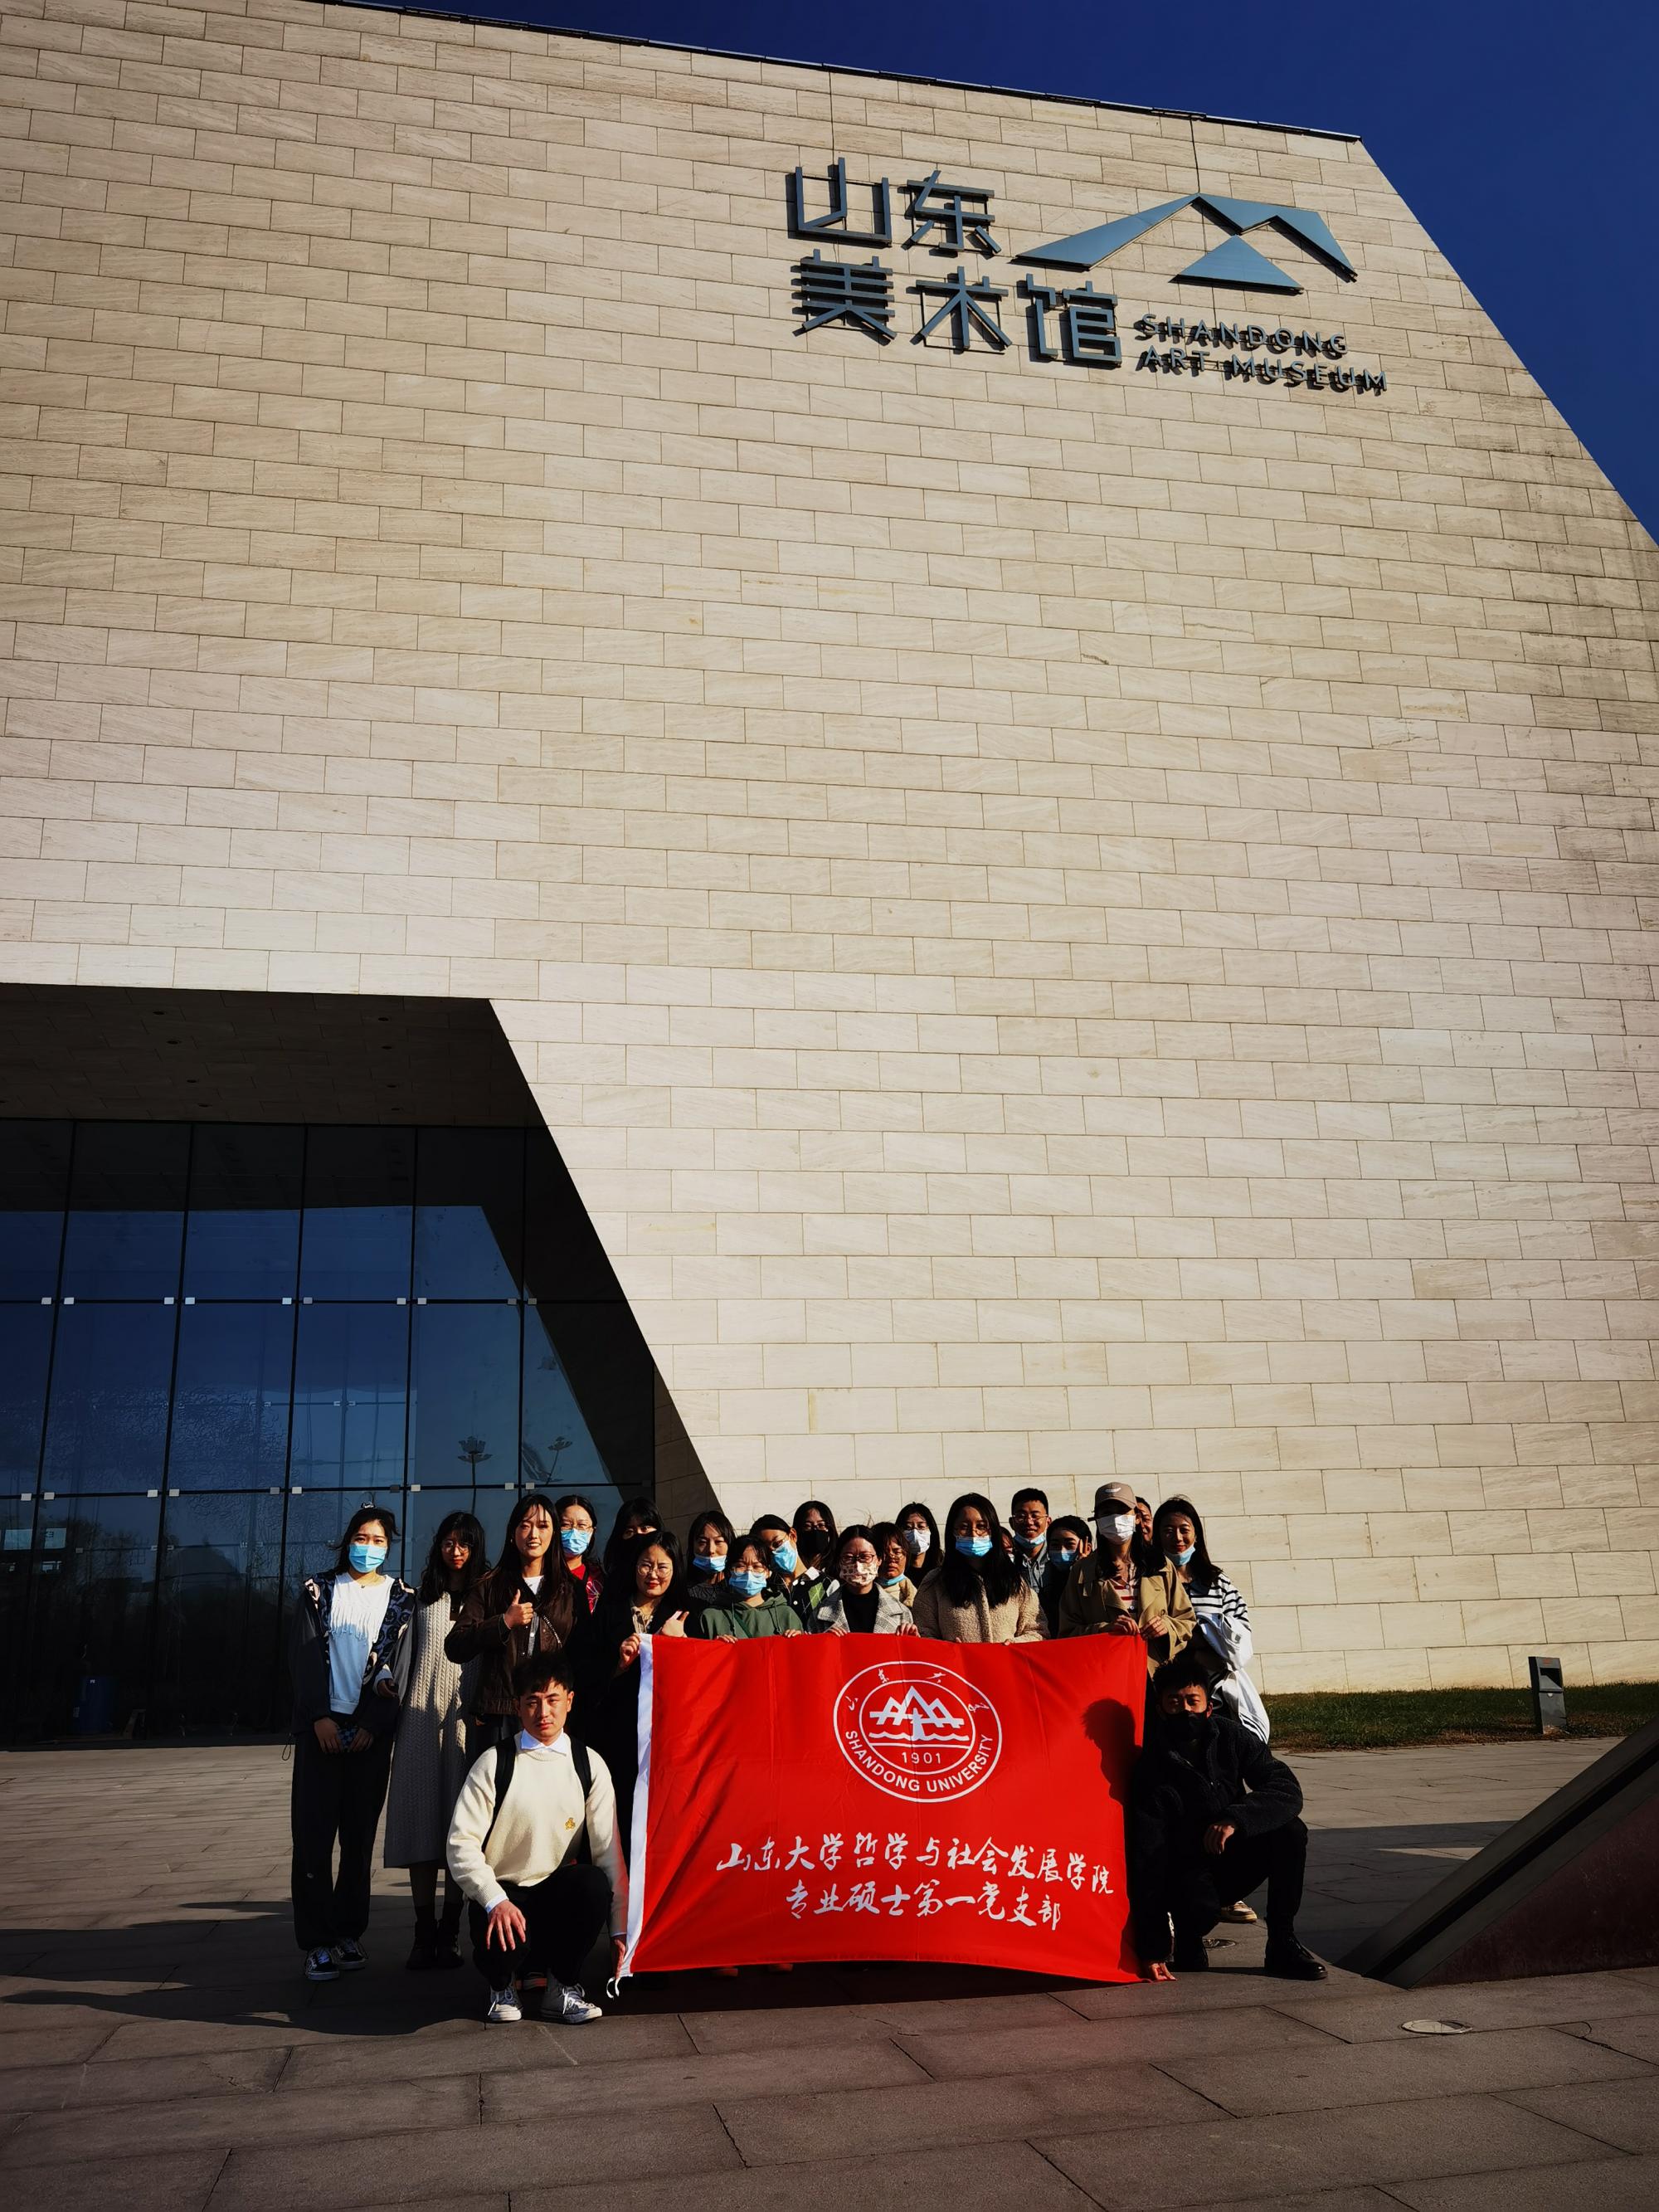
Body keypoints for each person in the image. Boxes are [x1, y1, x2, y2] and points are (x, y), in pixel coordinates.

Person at [445, 1650, 628, 2025]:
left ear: (570, 1701)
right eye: (532, 1701)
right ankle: (501, 1986)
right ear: (517, 1707)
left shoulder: (589, 1764)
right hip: (504, 1896)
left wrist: (620, 1929)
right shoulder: (494, 1762)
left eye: (552, 1699)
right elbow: (460, 1845)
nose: (543, 1712)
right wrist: (494, 1899)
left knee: (592, 1884)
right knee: (501, 1927)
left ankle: (562, 1987)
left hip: (555, 1895)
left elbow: (609, 1853)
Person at [1130, 1649, 1326, 1983]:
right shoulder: (1151, 1764)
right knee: (1195, 1909)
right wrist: (1154, 1947)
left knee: (1290, 1832)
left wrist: (1236, 1819)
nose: (1185, 1710)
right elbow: (1147, 1858)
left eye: (1192, 1701)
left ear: (1209, 1706)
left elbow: (1284, 1787)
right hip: (1184, 1874)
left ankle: (1283, 1943)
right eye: (1174, 1702)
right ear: (1160, 1709)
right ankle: (1188, 1937)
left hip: (1228, 1852)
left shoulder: (1232, 1737)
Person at [287, 1504, 416, 1983]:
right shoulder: (318, 1590)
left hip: (369, 1734)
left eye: (379, 1540)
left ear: (389, 1546)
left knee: (358, 1841)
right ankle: (316, 1942)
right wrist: (318, 1716)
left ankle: (347, 1932)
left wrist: (374, 1725)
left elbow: (401, 1667)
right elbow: (303, 1658)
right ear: (348, 1541)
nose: (369, 1547)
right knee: (313, 1839)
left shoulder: (403, 1598)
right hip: (321, 1729)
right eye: (362, 1538)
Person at [383, 1508, 487, 1971]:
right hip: (419, 1723)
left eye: (464, 1542)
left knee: (461, 1828)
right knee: (420, 1823)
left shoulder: (487, 1594)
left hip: (465, 1724)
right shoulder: (419, 1597)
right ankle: (423, 1930)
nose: (455, 1550)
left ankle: (450, 1930)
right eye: (448, 1541)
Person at [579, 1530, 690, 1852]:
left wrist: (680, 1645)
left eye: (662, 1566)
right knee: (616, 1822)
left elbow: (700, 1679)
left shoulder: (686, 1613)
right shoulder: (608, 1610)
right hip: (616, 1736)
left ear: (675, 1569)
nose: (653, 1574)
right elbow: (585, 1672)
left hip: (667, 1740)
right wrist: (618, 1665)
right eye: (645, 1565)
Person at [446, 1492, 581, 1757]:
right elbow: (455, 1646)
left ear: (554, 1534)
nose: (533, 1534)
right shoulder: (489, 1585)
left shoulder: (570, 1590)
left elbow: (582, 1654)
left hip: (550, 1712)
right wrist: (504, 1622)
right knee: (498, 1783)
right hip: (499, 1713)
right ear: (512, 1533)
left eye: (543, 1526)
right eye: (525, 1525)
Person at [1154, 1494, 1267, 1742]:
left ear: (1196, 1534)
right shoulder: (1148, 1582)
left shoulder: (1218, 1582)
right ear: (1157, 1536)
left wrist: (1186, 1641)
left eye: (1184, 1530)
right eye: (1168, 1531)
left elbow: (1239, 1637)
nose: (1177, 1538)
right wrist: (1200, 1644)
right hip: (1167, 1697)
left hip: (1216, 1694)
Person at [1057, 1480, 1194, 1675]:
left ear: (1137, 1517)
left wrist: (1166, 1626)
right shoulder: (1082, 1571)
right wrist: (1105, 1630)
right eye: (1107, 1513)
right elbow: (1067, 1633)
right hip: (1107, 1675)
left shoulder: (1160, 1565)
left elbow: (1187, 1620)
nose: (1115, 1518)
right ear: (1097, 1519)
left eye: (1122, 1511)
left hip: (1158, 1675)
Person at [911, 1493, 1046, 1643]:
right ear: (953, 1531)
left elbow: (1038, 1631)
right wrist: (947, 1649)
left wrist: (1013, 1645)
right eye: (964, 1527)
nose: (973, 1533)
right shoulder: (935, 1582)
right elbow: (923, 1633)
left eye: (981, 1526)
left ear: (993, 1530)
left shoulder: (1014, 1581)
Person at [688, 1532, 802, 1640]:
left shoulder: (786, 1615)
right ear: (729, 1570)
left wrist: (799, 1642)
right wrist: (715, 1647)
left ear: (768, 1572)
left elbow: (799, 1653)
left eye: (757, 1566)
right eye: (740, 1566)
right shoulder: (711, 1617)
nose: (749, 1572)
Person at [812, 1526, 919, 1635]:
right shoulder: (820, 1613)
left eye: (865, 1557)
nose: (857, 1565)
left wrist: (912, 1638)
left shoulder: (901, 1613)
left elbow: (909, 1646)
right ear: (839, 1561)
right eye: (849, 1557)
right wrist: (823, 1641)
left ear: (879, 1560)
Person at [1008, 1485, 1068, 1630]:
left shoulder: (1060, 1556)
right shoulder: (1003, 1558)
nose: (1029, 1522)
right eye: (1021, 1516)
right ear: (1012, 1522)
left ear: (1048, 1521)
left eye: (1035, 1516)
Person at [752, 1512, 826, 1626]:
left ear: (792, 1535)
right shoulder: (763, 1589)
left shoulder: (827, 1584)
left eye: (777, 1544)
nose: (774, 1552)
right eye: (766, 1551)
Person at [555, 1493, 605, 1616]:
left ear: (592, 1531)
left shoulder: (600, 1577)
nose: (574, 1532)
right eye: (566, 1525)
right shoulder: (541, 1573)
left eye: (581, 1526)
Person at [602, 1494, 662, 1579]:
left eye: (645, 1528)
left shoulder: (671, 1572)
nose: (638, 1534)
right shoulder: (613, 1581)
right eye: (630, 1531)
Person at [684, 1508, 736, 1606]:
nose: (711, 1550)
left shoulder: (739, 1588)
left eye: (718, 1542)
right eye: (703, 1542)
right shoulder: (681, 1591)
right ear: (692, 1546)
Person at [871, 1521, 918, 1607]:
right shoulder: (864, 1588)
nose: (891, 1559)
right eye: (884, 1553)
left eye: (897, 1552)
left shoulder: (911, 1590)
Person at [792, 1498, 839, 1582]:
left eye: (821, 1525)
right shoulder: (791, 1565)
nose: (815, 1530)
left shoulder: (838, 1566)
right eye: (808, 1526)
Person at [894, 1500, 941, 1584]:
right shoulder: (894, 1571)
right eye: (908, 1528)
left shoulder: (941, 1570)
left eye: (921, 1527)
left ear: (931, 1530)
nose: (915, 1533)